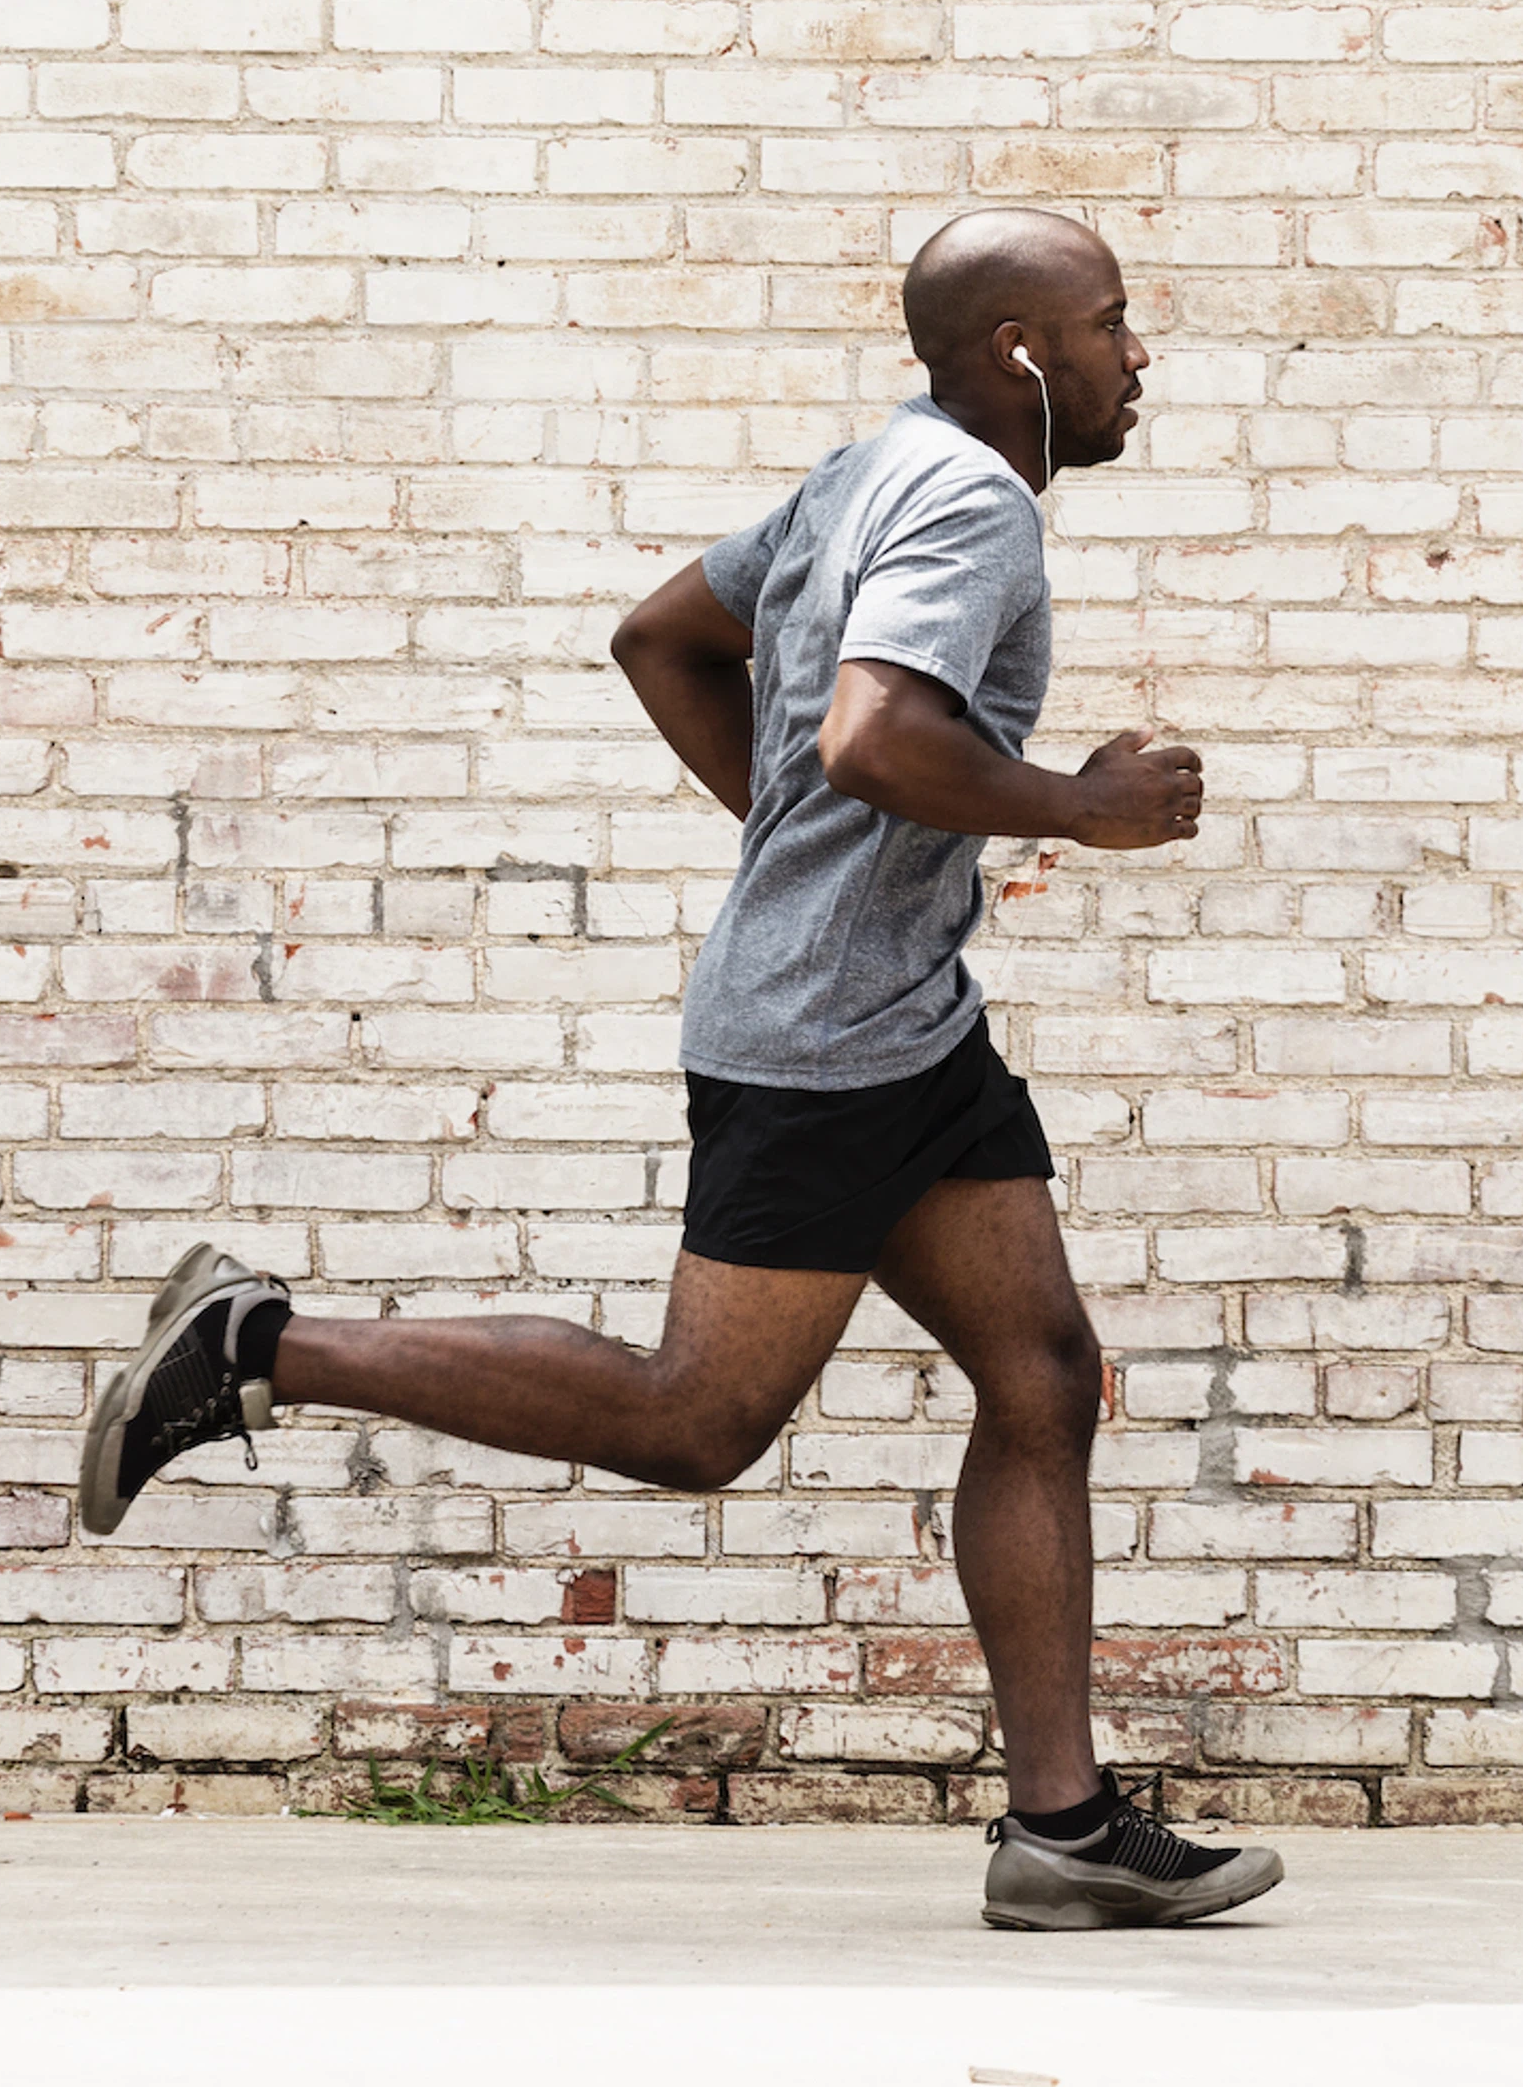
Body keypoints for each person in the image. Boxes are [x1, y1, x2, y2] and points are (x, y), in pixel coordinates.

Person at [76, 207, 1285, 1931]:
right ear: (1022, 351)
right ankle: (257, 1345)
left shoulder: (868, 470)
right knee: (696, 1422)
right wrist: (1076, 809)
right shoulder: (968, 504)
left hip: (902, 1020)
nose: (1135, 353)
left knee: (1041, 1375)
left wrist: (799, 861)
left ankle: (1063, 1830)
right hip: (827, 1045)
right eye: (1109, 321)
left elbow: (663, 637)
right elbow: (874, 736)